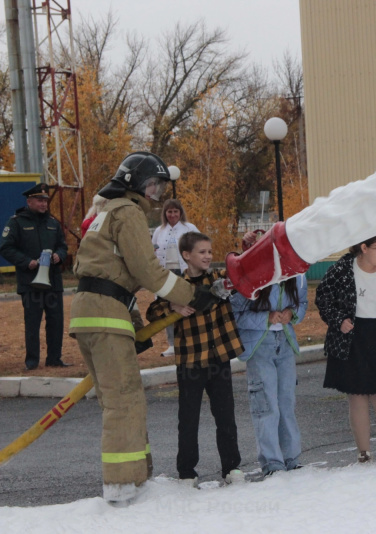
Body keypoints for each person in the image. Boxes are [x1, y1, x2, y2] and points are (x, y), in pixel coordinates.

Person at [69, 152, 219, 505]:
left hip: (93, 312)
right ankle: (121, 486)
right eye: (152, 184)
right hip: (106, 314)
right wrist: (193, 296)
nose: (155, 192)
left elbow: (118, 275)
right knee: (124, 399)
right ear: (134, 183)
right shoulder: (128, 212)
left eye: (159, 186)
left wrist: (135, 323)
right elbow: (148, 271)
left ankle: (138, 474)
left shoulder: (105, 213)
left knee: (122, 395)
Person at [146, 231, 245, 487]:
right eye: (202, 252)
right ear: (186, 255)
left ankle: (231, 468)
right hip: (190, 362)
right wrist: (173, 306)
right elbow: (152, 312)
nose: (208, 256)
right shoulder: (176, 284)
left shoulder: (220, 278)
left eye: (209, 252)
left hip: (219, 358)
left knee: (225, 417)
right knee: (188, 419)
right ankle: (187, 472)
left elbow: (242, 277)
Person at [316, 232, 376, 462]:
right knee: (357, 396)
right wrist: (339, 320)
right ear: (364, 247)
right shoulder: (341, 270)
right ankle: (363, 452)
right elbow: (323, 298)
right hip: (352, 338)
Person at [232, 231, 308, 479]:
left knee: (286, 403)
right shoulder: (251, 276)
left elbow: (303, 303)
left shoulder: (295, 274)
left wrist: (291, 314)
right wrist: (265, 318)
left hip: (285, 344)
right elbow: (236, 315)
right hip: (260, 345)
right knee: (266, 405)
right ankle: (272, 462)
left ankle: (291, 458)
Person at [1, 183, 69, 370]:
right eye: (40, 200)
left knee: (55, 322)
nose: (43, 204)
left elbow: (63, 246)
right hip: (30, 283)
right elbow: (6, 247)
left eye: (45, 200)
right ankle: (32, 361)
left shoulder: (53, 223)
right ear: (29, 201)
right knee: (33, 324)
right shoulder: (17, 222)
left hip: (53, 282)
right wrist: (26, 262)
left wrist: (59, 256)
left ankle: (54, 358)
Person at [151, 199, 199, 357]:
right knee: (168, 307)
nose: (172, 215)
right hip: (166, 274)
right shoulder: (159, 230)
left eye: (175, 211)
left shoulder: (189, 228)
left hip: (184, 272)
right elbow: (153, 250)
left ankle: (190, 341)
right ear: (165, 213)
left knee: (187, 305)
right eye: (169, 212)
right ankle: (172, 344)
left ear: (180, 213)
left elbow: (199, 247)